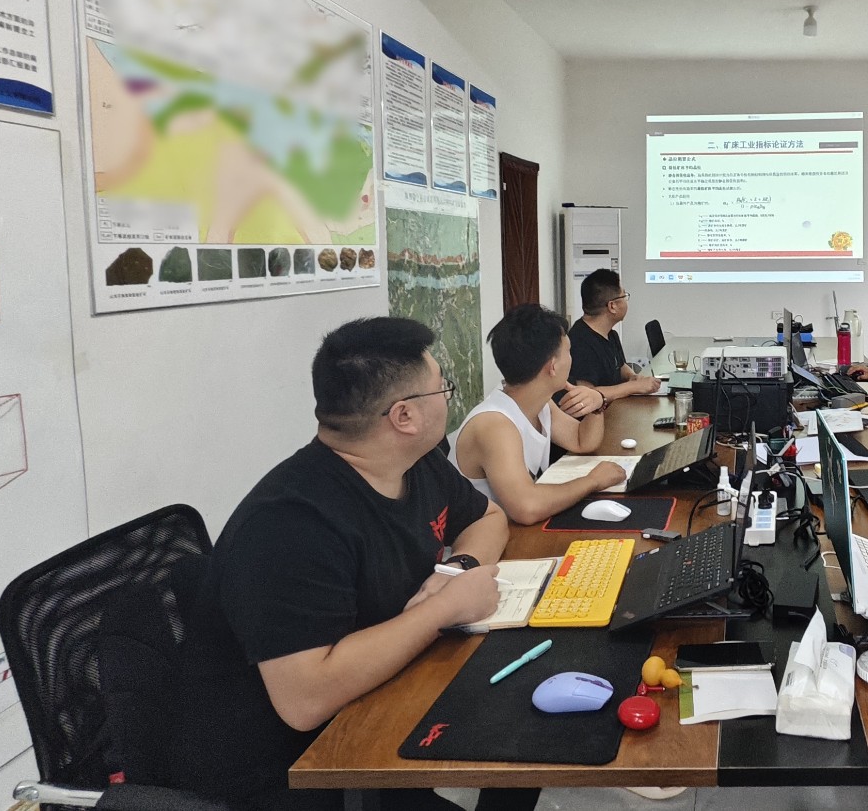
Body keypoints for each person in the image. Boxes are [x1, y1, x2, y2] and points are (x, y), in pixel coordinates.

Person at [169, 317, 529, 811]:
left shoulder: (414, 463)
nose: (449, 396)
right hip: (294, 774)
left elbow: (488, 518)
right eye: (443, 387)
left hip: (381, 706)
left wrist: (458, 567)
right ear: (404, 416)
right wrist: (443, 609)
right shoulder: (289, 523)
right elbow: (304, 702)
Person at [448, 304, 628, 524]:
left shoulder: (538, 402)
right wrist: (593, 481)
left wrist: (597, 404)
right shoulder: (495, 425)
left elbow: (582, 441)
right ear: (552, 367)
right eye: (568, 351)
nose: (572, 359)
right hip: (482, 538)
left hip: (511, 529)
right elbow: (527, 508)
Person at [569, 268, 660, 399]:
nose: (626, 301)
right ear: (612, 306)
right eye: (624, 296)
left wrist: (633, 377)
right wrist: (633, 387)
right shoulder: (580, 342)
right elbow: (586, 393)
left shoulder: (611, 334)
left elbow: (620, 366)